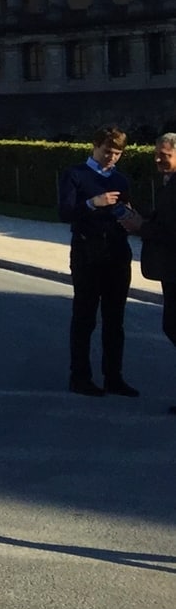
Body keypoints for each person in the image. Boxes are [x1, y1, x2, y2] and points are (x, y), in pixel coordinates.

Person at [57, 126, 141, 398]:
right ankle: (79, 376)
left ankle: (113, 377)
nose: (111, 158)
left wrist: (130, 218)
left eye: (117, 154)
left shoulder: (121, 180)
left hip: (116, 253)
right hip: (86, 252)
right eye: (108, 152)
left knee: (115, 320)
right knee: (85, 317)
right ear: (95, 146)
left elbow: (126, 212)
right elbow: (65, 212)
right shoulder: (75, 175)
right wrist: (93, 203)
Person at [136, 132, 176, 414]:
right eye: (157, 154)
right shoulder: (168, 182)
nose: (160, 159)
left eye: (166, 154)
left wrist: (141, 227)